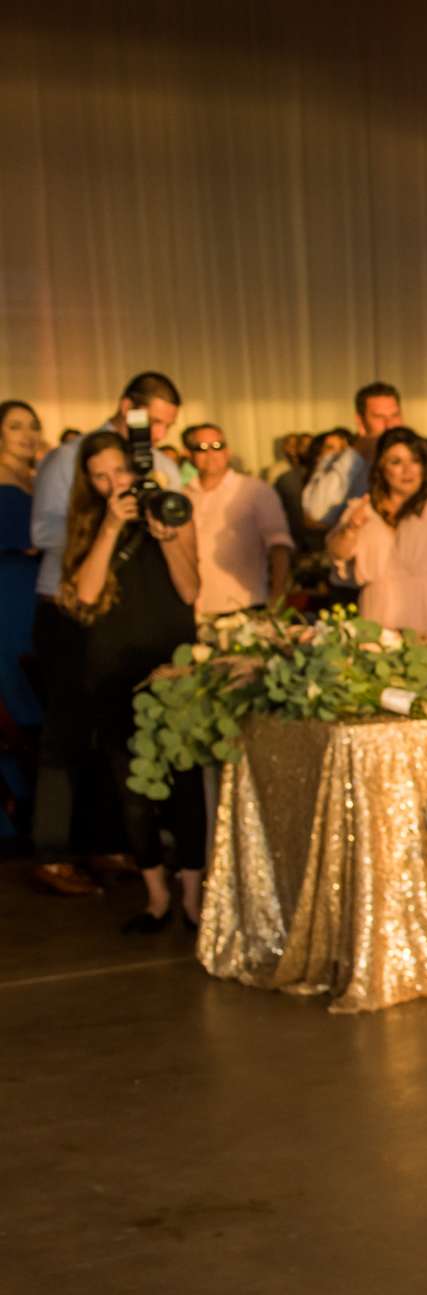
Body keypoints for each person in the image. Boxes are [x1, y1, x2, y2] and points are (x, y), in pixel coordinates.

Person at [28, 372, 183, 897]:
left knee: (122, 741)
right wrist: (104, 518)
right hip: (67, 606)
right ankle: (52, 852)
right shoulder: (69, 458)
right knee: (67, 732)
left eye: (167, 425)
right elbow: (42, 532)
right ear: (127, 409)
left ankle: (115, 845)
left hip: (136, 610)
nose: (159, 433)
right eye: (153, 421)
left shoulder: (160, 466)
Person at [56, 432, 208, 934]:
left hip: (170, 664)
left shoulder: (171, 506)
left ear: (136, 468)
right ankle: (156, 897)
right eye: (98, 475)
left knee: (184, 784)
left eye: (118, 472)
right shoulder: (86, 522)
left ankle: (192, 895)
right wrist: (108, 526)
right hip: (114, 667)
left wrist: (166, 538)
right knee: (132, 789)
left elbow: (190, 589)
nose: (111, 483)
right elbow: (87, 594)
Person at [326, 425, 427, 663]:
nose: (407, 470)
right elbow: (337, 554)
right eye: (396, 461)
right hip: (383, 618)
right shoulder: (365, 508)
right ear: (381, 467)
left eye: (414, 460)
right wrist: (351, 528)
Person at [182, 423, 293, 617]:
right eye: (201, 448)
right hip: (195, 608)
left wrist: (277, 597)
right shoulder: (183, 496)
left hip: (245, 604)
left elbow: (279, 546)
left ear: (228, 451)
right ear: (189, 455)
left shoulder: (254, 490)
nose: (211, 454)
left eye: (217, 446)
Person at [301, 382, 402, 532]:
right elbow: (317, 514)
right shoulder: (336, 462)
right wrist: (356, 454)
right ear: (360, 421)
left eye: (395, 415)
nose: (389, 425)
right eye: (379, 417)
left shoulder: (424, 459)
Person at [2, 401, 45, 744]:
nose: (26, 435)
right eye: (15, 426)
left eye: (32, 425)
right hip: (9, 589)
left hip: (39, 586)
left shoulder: (36, 478)